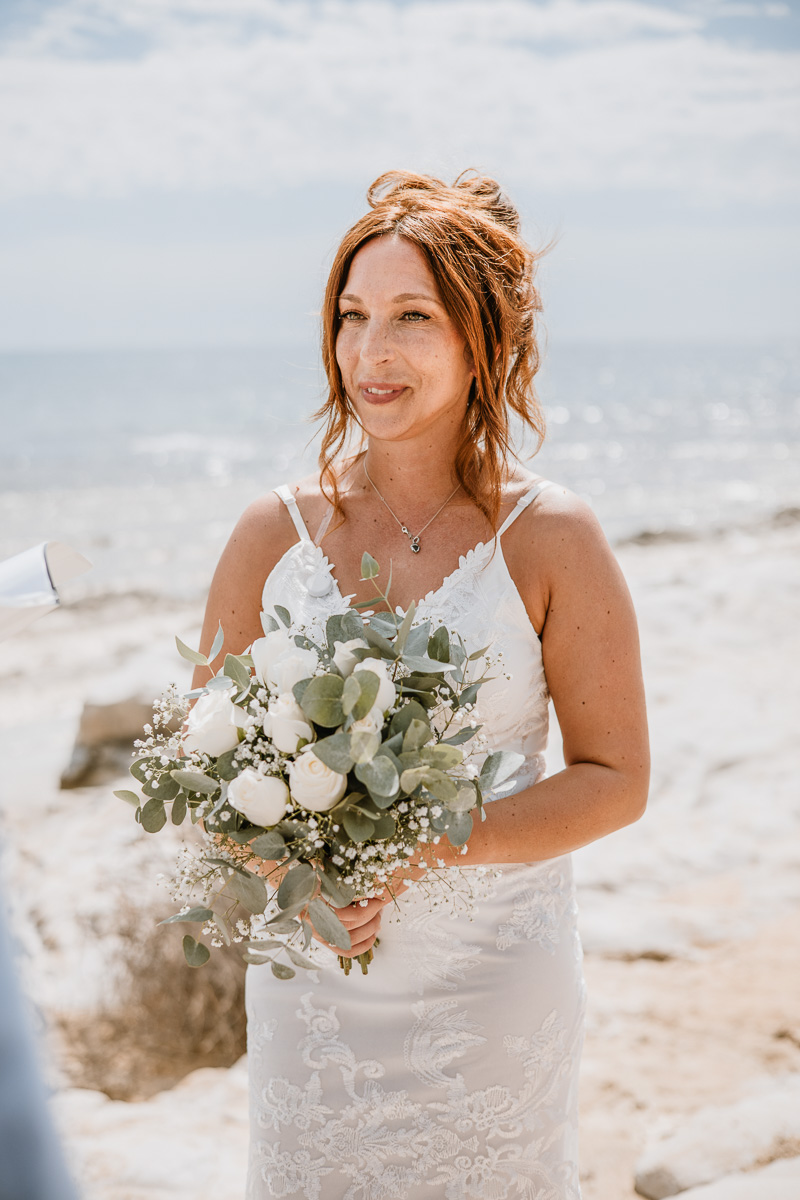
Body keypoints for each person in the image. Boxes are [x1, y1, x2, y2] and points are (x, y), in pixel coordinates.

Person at [193, 170, 649, 1199]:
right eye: (351, 317)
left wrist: (432, 847)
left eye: (410, 317)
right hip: (311, 989)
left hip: (491, 984)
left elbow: (615, 776)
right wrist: (287, 880)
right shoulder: (273, 533)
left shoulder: (551, 537)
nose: (369, 353)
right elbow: (204, 762)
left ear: (481, 338)